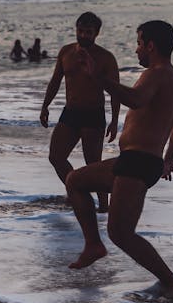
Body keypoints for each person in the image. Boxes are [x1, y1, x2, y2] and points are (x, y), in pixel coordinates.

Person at [64, 20, 173, 302]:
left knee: (121, 233)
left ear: (151, 46)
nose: (136, 50)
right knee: (76, 180)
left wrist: (100, 79)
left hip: (138, 162)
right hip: (141, 162)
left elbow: (135, 99)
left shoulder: (156, 75)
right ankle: (93, 245)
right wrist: (169, 158)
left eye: (138, 43)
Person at [40, 12, 120, 213]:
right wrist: (45, 106)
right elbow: (55, 81)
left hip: (94, 114)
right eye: (81, 31)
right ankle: (76, 189)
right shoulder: (66, 52)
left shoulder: (105, 58)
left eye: (89, 32)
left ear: (97, 33)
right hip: (70, 113)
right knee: (56, 157)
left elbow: (115, 91)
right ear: (76, 29)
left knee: (94, 164)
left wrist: (114, 120)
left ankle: (104, 206)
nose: (84, 35)